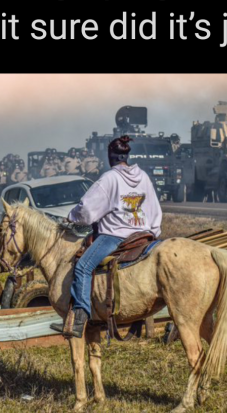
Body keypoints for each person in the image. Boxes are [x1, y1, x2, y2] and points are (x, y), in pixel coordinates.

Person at [50, 135, 162, 338]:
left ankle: (79, 319)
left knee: (83, 266)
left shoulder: (110, 178)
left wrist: (72, 217)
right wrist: (153, 231)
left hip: (116, 236)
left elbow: (86, 210)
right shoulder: (143, 176)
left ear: (111, 156)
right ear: (127, 156)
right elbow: (155, 207)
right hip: (144, 234)